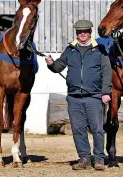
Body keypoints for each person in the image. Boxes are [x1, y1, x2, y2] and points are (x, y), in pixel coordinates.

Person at [45, 20, 112, 171]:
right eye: (79, 31)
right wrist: (50, 63)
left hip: (93, 96)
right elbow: (59, 66)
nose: (82, 33)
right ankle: (84, 158)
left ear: (90, 32)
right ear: (76, 33)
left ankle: (99, 159)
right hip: (74, 96)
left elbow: (107, 72)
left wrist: (106, 92)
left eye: (85, 31)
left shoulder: (99, 49)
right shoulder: (70, 49)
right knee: (78, 129)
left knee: (97, 129)